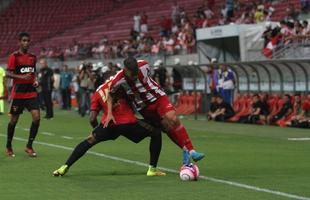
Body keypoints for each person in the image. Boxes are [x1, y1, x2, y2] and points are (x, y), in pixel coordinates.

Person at [53, 80, 165, 177]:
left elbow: (92, 118)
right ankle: (152, 169)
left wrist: (96, 130)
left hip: (109, 125)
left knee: (89, 140)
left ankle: (64, 166)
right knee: (155, 132)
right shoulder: (121, 84)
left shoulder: (97, 92)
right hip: (128, 123)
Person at [106, 57, 204, 164]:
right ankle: (185, 150)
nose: (134, 76)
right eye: (132, 74)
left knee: (172, 118)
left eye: (136, 73)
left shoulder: (144, 65)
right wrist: (109, 113)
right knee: (166, 128)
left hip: (158, 97)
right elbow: (110, 96)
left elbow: (151, 78)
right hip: (144, 107)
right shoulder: (117, 80)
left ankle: (192, 150)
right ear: (125, 70)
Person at [5, 32, 40, 157]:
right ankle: (9, 146)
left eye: (28, 40)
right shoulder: (14, 56)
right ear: (19, 42)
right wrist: (21, 77)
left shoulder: (33, 57)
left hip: (31, 92)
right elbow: (7, 73)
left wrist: (35, 80)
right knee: (14, 121)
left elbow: (33, 72)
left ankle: (29, 146)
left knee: (36, 117)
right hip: (18, 93)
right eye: (24, 40)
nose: (26, 43)